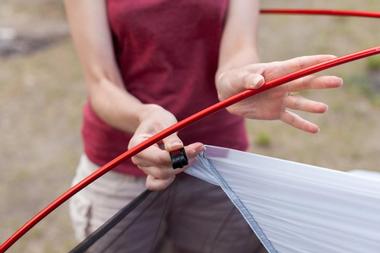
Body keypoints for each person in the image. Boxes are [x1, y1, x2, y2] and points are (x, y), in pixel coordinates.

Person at [64, 0, 343, 251]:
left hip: (216, 162)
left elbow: (239, 50)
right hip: (120, 168)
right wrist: (144, 116)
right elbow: (102, 82)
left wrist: (238, 81)